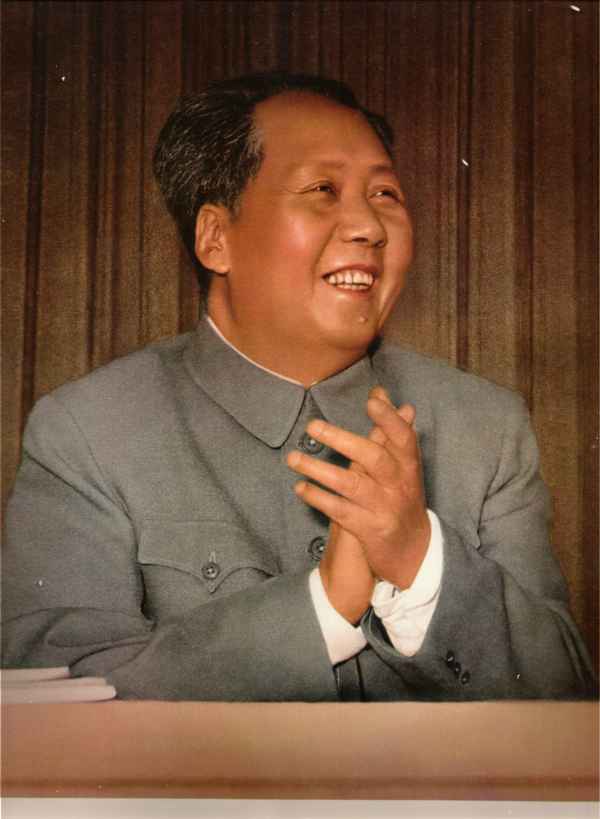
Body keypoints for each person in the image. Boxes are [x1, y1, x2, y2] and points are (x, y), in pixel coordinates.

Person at [2, 72, 595, 701]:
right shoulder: (88, 430)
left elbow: (567, 698)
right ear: (216, 238)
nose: (369, 226)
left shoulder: (488, 426)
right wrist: (323, 607)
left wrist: (420, 561)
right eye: (322, 190)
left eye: (385, 193)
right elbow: (56, 697)